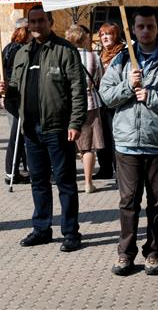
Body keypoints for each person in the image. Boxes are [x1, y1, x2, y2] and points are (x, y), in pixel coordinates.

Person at [100, 6, 158, 276]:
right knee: (128, 201)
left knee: (157, 201)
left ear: (157, 28)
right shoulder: (121, 61)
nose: (145, 31)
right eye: (140, 26)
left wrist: (151, 96)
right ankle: (125, 254)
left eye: (149, 26)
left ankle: (153, 252)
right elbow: (105, 95)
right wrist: (129, 85)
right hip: (127, 142)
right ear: (134, 28)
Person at [0, 5, 87, 253]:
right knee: (38, 182)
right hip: (31, 130)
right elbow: (15, 86)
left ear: (50, 22)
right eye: (32, 22)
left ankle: (70, 233)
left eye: (40, 21)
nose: (36, 26)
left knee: (65, 182)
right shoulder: (22, 53)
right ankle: (42, 229)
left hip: (58, 129)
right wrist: (3, 88)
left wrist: (75, 122)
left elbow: (78, 89)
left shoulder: (64, 51)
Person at [0, 17, 31, 185]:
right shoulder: (19, 50)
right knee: (17, 136)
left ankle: (15, 171)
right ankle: (11, 172)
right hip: (17, 99)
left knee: (18, 135)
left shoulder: (6, 49)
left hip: (11, 99)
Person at [65, 24, 104, 194]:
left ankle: (69, 182)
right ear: (85, 38)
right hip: (90, 103)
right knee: (88, 147)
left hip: (68, 105)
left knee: (68, 146)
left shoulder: (64, 56)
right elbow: (101, 79)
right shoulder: (94, 57)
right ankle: (88, 182)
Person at [95, 22, 126, 180]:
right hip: (101, 102)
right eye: (102, 34)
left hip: (117, 101)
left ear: (116, 35)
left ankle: (119, 169)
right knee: (103, 136)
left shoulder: (123, 54)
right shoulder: (99, 55)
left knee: (116, 137)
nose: (105, 37)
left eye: (109, 34)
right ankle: (105, 168)